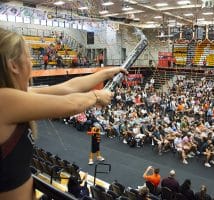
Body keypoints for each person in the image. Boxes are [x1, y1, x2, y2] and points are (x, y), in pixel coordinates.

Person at [0, 28, 127, 200]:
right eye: (28, 58)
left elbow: (68, 88)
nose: (30, 63)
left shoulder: (13, 97)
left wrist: (106, 73)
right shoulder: (4, 100)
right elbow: (71, 103)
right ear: (13, 65)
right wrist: (97, 96)